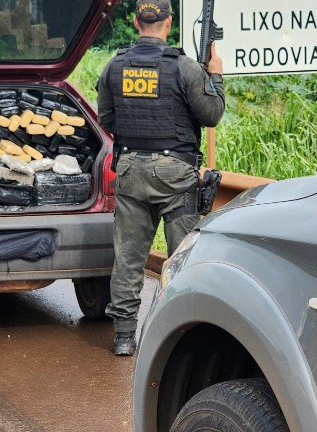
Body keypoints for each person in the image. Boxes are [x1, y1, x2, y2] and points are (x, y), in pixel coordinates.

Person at [96, 0, 225, 356]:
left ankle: (124, 336)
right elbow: (212, 114)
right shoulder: (183, 67)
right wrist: (214, 73)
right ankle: (179, 339)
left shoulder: (115, 65)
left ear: (137, 22)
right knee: (182, 257)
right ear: (168, 23)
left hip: (129, 169)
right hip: (174, 173)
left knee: (128, 258)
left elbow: (106, 120)